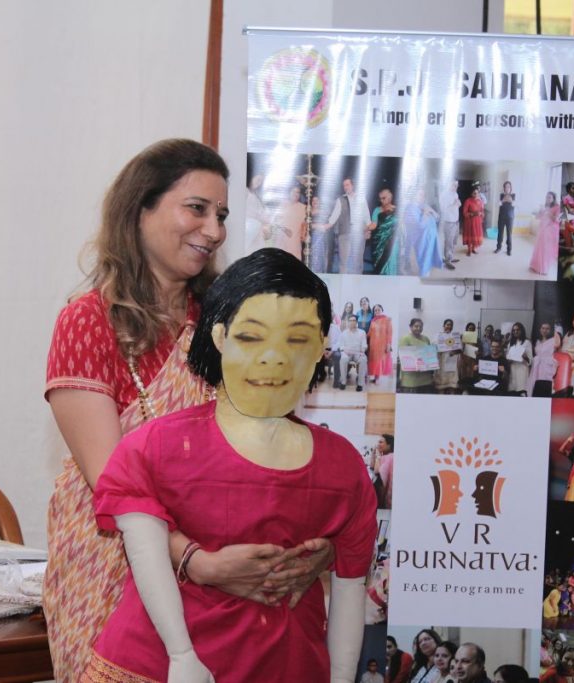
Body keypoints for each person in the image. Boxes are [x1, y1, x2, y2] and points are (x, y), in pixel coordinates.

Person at [43, 140, 331, 681]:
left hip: (231, 577)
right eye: (196, 208)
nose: (215, 229)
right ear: (141, 209)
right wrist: (196, 562)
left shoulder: (230, 321)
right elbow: (112, 485)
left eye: (220, 214)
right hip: (116, 564)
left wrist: (311, 551)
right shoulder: (88, 323)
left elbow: (275, 445)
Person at [86, 248, 377, 682]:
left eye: (297, 339)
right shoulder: (156, 447)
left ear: (321, 347)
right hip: (156, 666)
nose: (275, 357)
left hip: (286, 664)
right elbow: (144, 554)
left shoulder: (343, 467)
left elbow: (352, 584)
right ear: (220, 337)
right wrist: (181, 654)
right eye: (251, 336)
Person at [326, 177, 373, 274]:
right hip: (344, 234)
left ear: (353, 185)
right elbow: (334, 216)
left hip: (359, 234)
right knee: (344, 261)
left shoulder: (361, 198)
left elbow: (366, 216)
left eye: (347, 185)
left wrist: (368, 230)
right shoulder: (340, 200)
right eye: (344, 185)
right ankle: (343, 285)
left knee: (358, 261)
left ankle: (357, 285)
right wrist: (327, 225)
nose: (345, 187)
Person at [406, 188, 444, 276]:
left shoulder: (424, 205)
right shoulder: (410, 208)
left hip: (431, 238)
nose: (422, 197)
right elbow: (419, 226)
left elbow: (437, 218)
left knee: (430, 259)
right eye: (420, 194)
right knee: (424, 263)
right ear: (413, 195)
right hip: (422, 241)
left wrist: (432, 212)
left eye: (423, 195)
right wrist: (425, 214)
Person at [399, 318, 435, 393]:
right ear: (410, 327)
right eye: (416, 326)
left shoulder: (426, 339)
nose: (418, 328)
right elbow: (402, 358)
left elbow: (429, 356)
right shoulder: (405, 339)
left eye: (421, 326)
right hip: (411, 379)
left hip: (426, 378)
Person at [334, 314, 368, 391]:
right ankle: (343, 382)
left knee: (363, 359)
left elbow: (364, 344)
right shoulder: (344, 333)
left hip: (358, 352)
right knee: (343, 359)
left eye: (354, 320)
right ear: (348, 322)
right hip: (347, 352)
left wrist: (362, 351)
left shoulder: (362, 332)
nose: (352, 322)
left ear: (356, 322)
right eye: (350, 320)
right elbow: (341, 345)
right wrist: (344, 351)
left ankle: (360, 384)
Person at [370, 187, 400, 275]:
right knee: (380, 268)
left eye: (384, 198)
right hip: (379, 244)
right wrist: (363, 228)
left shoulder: (397, 210)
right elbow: (373, 225)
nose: (382, 200)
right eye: (380, 199)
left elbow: (402, 226)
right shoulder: (377, 210)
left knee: (392, 263)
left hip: (393, 242)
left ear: (390, 197)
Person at [527, 322, 562, 397]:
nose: (545, 330)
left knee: (545, 386)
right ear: (540, 329)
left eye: (547, 329)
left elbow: (557, 347)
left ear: (550, 330)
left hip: (546, 367)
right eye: (543, 328)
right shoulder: (537, 342)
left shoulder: (553, 340)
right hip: (536, 367)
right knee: (535, 387)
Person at [273, 185, 307, 260]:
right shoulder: (282, 205)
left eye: (298, 192)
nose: (296, 194)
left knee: (294, 264)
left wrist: (303, 236)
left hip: (295, 242)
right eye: (293, 191)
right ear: (289, 193)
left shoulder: (303, 207)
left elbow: (304, 225)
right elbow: (275, 221)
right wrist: (284, 229)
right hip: (281, 240)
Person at [530, 191, 561, 275]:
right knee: (539, 248)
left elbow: (556, 219)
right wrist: (540, 212)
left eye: (549, 197)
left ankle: (543, 268)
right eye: (547, 197)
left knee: (546, 250)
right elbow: (538, 217)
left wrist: (549, 212)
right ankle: (536, 266)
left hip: (550, 230)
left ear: (553, 198)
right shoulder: (545, 206)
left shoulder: (557, 207)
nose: (547, 199)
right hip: (542, 229)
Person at [244, 173, 271, 254]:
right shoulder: (245, 191)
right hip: (248, 231)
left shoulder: (257, 196)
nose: (259, 183)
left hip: (258, 233)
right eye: (258, 179)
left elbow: (264, 216)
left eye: (261, 181)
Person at [368, 304, 394, 383]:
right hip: (373, 344)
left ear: (382, 310)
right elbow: (369, 333)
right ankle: (375, 377)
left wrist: (388, 345)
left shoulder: (387, 319)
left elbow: (390, 333)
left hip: (382, 344)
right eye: (375, 310)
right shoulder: (373, 321)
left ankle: (377, 379)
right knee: (374, 361)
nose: (377, 311)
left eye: (378, 309)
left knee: (380, 361)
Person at [505, 322, 533, 395]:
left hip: (522, 370)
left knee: (522, 391)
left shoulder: (527, 342)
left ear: (522, 330)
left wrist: (525, 357)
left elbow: (531, 361)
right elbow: (508, 357)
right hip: (513, 369)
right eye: (514, 330)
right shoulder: (510, 343)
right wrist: (508, 360)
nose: (515, 332)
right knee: (513, 391)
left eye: (517, 330)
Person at [440, 180, 462, 269]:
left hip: (455, 220)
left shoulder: (455, 194)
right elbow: (443, 209)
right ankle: (447, 261)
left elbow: (456, 205)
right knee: (448, 242)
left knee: (453, 241)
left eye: (456, 185)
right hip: (448, 221)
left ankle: (450, 257)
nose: (455, 187)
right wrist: (453, 204)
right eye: (453, 185)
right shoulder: (443, 194)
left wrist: (458, 204)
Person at [436, 319, 462, 394]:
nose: (449, 326)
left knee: (452, 386)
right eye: (447, 324)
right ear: (443, 326)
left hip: (452, 363)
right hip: (441, 363)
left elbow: (460, 350)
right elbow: (433, 348)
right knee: (441, 387)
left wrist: (455, 352)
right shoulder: (438, 336)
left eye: (451, 325)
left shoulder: (455, 337)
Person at [494, 181, 515, 256]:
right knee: (500, 233)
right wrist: (503, 200)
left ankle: (509, 250)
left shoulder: (513, 195)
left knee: (509, 234)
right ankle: (498, 247)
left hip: (510, 218)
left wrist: (510, 200)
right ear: (504, 188)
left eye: (508, 186)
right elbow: (498, 204)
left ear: (510, 188)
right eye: (506, 187)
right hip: (501, 217)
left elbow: (514, 204)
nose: (507, 188)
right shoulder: (501, 195)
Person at [462, 187, 485, 256]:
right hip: (470, 221)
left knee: (476, 235)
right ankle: (469, 249)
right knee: (470, 234)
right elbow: (464, 212)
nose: (476, 194)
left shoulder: (480, 201)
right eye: (474, 193)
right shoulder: (468, 201)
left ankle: (473, 248)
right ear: (471, 194)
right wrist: (473, 214)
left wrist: (481, 214)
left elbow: (482, 211)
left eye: (477, 193)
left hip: (477, 221)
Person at [374, 434, 395, 508]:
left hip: (389, 501)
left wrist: (377, 455)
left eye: (381, 442)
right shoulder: (389, 456)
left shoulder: (389, 457)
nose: (378, 444)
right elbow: (372, 465)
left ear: (389, 445)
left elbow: (377, 471)